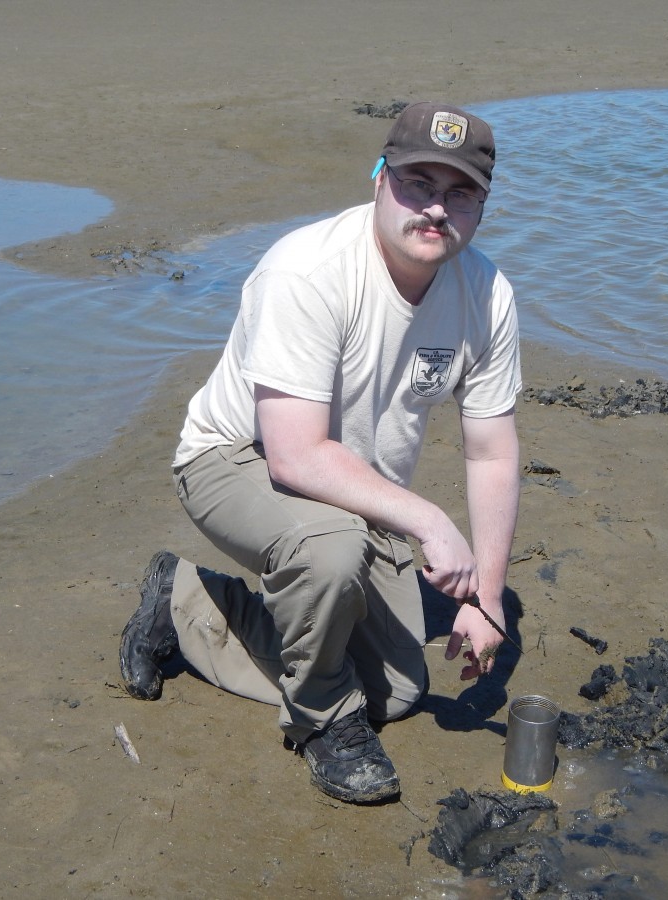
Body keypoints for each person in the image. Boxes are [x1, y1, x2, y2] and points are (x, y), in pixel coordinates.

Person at [118, 101, 522, 804]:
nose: (436, 209)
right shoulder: (307, 271)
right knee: (329, 547)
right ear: (378, 179)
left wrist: (487, 600)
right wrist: (429, 521)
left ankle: (185, 602)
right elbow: (296, 459)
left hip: (351, 484)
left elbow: (491, 452)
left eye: (461, 193)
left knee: (397, 690)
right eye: (418, 184)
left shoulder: (487, 294)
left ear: (482, 207)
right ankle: (322, 724)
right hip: (234, 459)